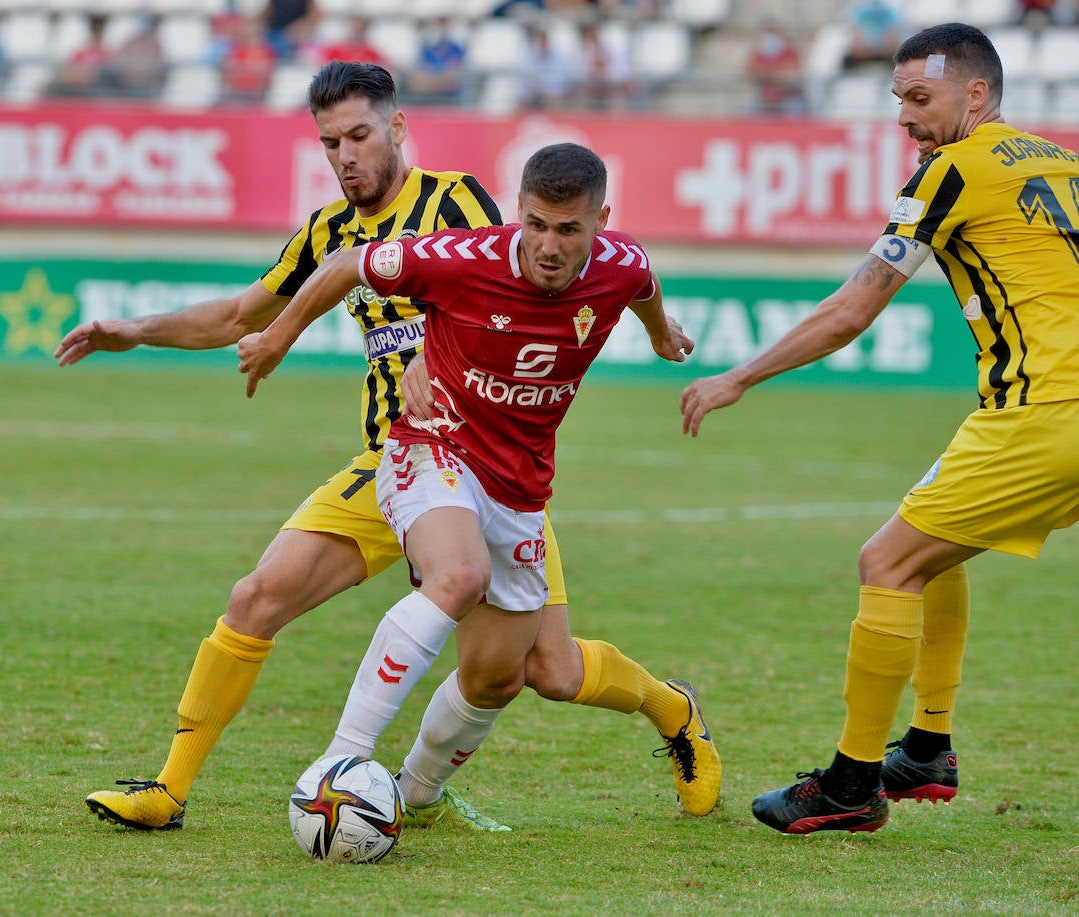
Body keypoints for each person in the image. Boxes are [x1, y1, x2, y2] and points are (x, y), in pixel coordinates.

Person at [56, 62, 720, 832]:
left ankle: (671, 708)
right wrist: (132, 332)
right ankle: (169, 790)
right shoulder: (327, 232)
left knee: (545, 669)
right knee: (256, 596)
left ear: (398, 128)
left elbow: (479, 291)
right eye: (330, 142)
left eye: (360, 135)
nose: (345, 155)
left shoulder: (457, 202)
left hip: (497, 468)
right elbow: (240, 314)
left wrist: (423, 361)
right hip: (400, 459)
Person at [680, 22, 1079, 834]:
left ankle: (852, 784)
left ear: (976, 94)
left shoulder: (949, 170)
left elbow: (852, 309)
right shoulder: (1056, 159)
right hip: (1050, 411)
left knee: (887, 561)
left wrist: (738, 376)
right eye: (899, 99)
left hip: (1045, 411)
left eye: (920, 98)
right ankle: (928, 744)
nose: (905, 118)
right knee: (932, 545)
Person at [237, 143, 701, 819]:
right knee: (457, 578)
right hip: (431, 447)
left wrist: (662, 334)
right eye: (536, 223)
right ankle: (342, 761)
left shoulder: (619, 265)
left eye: (568, 229)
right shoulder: (461, 257)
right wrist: (279, 337)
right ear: (518, 210)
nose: (548, 244)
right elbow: (344, 264)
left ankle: (415, 792)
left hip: (518, 488)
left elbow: (645, 283)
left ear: (602, 219)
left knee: (500, 675)